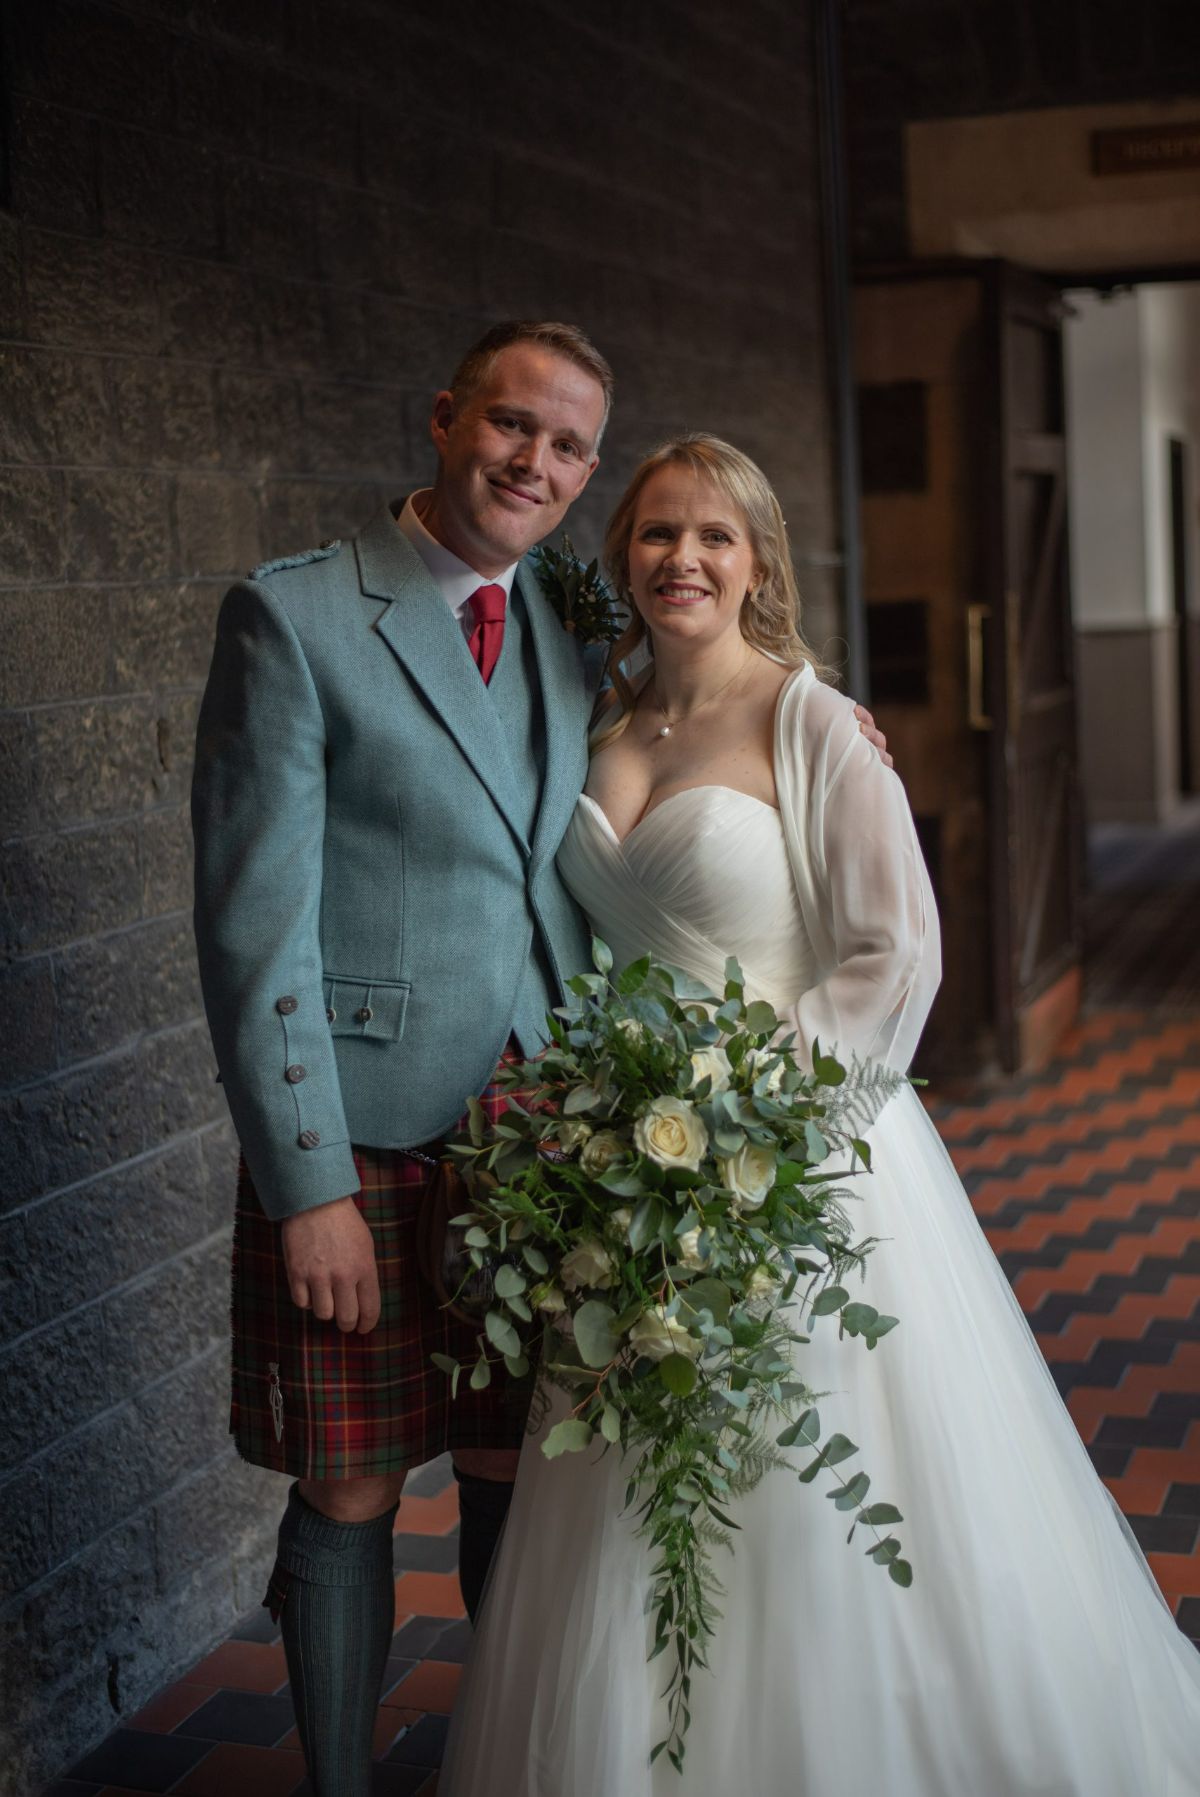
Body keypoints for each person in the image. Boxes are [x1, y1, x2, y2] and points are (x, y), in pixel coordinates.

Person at [191, 319, 895, 1797]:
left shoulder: (577, 630)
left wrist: (827, 733)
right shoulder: (297, 618)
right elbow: (254, 935)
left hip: (547, 1141)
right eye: (513, 424)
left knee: (533, 1477)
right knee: (351, 1484)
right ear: (447, 416)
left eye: (570, 446)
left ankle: (503, 1765)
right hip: (364, 1137)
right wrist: (307, 1186)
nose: (536, 462)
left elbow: (713, 703)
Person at [440, 435, 1200, 1796]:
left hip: (790, 1150)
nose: (682, 557)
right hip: (630, 1162)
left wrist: (749, 1121)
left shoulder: (816, 724)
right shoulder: (600, 721)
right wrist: (610, 1124)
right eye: (657, 532)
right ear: (622, 557)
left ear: (758, 565)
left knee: (804, 1480)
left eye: (714, 536)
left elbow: (894, 956)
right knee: (636, 1478)